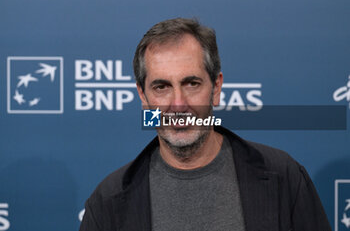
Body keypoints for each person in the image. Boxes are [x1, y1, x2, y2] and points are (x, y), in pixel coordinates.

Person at [79, 18, 331, 231]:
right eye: (161, 87)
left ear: (217, 88)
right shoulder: (108, 202)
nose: (178, 105)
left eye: (192, 84)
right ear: (143, 97)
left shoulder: (284, 178)